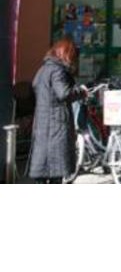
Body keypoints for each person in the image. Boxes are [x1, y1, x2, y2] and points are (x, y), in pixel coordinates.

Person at [27, 38, 82, 184]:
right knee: (55, 172)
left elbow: (35, 90)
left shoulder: (43, 69)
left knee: (42, 169)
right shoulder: (58, 71)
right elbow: (64, 93)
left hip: (42, 123)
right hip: (56, 124)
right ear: (66, 54)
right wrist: (81, 92)